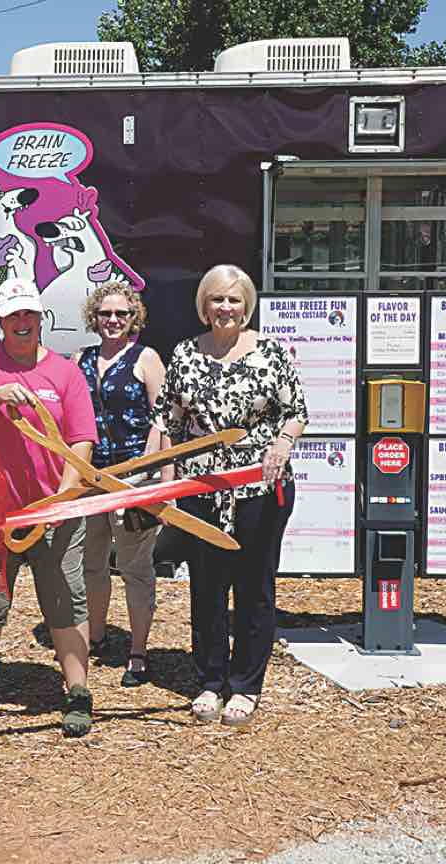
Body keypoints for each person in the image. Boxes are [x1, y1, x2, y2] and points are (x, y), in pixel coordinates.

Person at [152, 264, 308, 727]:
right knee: (206, 584)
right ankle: (210, 679)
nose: (226, 308)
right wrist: (166, 482)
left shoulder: (270, 352)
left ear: (247, 306)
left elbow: (296, 410)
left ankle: (246, 684)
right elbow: (168, 423)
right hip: (200, 487)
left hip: (260, 485)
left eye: (234, 300)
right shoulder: (184, 354)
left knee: (253, 586)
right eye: (217, 299)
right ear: (204, 306)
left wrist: (282, 445)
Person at [0, 277, 98, 737]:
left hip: (54, 515)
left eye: (29, 314)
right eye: (13, 316)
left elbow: (82, 439)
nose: (22, 323)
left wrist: (64, 496)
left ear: (41, 319)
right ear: (0, 321)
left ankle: (78, 691)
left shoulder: (66, 373)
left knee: (66, 602)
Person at [72, 282, 168, 687]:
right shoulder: (80, 359)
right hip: (89, 478)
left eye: (122, 314)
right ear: (93, 318)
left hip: (134, 478)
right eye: (105, 314)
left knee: (135, 568)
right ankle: (96, 637)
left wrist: (154, 478)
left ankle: (138, 651)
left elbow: (162, 421)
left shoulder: (146, 359)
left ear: (134, 319)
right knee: (91, 564)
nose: (113, 321)